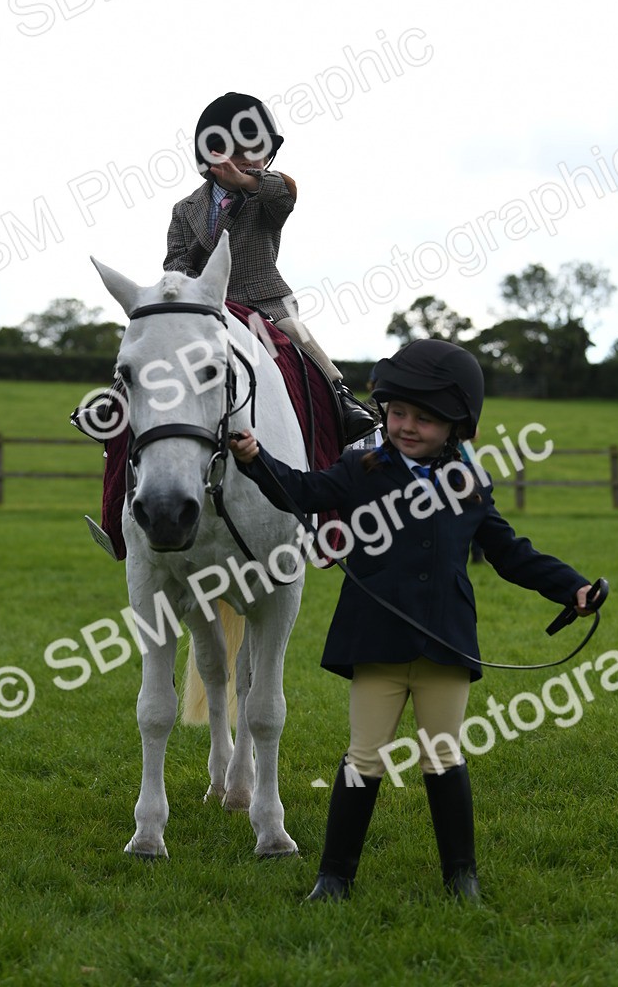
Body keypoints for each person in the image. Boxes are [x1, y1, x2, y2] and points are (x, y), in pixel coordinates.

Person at [229, 338, 595, 903]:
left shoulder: (469, 484)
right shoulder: (359, 470)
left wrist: (571, 586)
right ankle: (333, 878)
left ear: (456, 427)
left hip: (445, 645)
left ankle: (461, 877)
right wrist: (257, 461)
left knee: (443, 755)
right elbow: (302, 491)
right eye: (397, 412)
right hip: (376, 642)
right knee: (364, 757)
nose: (406, 425)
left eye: (424, 419)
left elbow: (509, 551)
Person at [164, 92, 377, 443]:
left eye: (258, 150)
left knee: (293, 328)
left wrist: (245, 182)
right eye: (241, 150)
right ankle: (119, 403)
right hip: (208, 308)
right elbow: (176, 262)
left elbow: (282, 195)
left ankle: (342, 399)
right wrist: (193, 290)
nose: (252, 159)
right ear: (213, 153)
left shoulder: (269, 192)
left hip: (262, 307)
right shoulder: (185, 209)